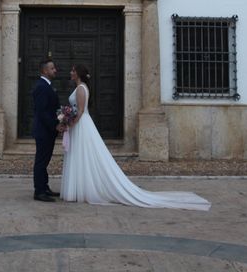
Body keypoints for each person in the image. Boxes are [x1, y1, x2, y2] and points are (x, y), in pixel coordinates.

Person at [60, 64, 211, 210]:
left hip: (81, 125)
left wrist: (69, 124)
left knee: (82, 155)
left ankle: (81, 188)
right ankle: (81, 187)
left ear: (78, 73)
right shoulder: (82, 87)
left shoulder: (80, 89)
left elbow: (79, 111)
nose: (70, 73)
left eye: (73, 71)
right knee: (82, 155)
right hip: (83, 125)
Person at [31, 58, 64, 202]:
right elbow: (42, 111)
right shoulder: (42, 87)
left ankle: (44, 187)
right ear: (45, 70)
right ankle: (39, 191)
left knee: (44, 161)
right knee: (41, 161)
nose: (55, 70)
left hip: (47, 131)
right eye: (52, 68)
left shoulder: (47, 86)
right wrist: (55, 125)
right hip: (44, 131)